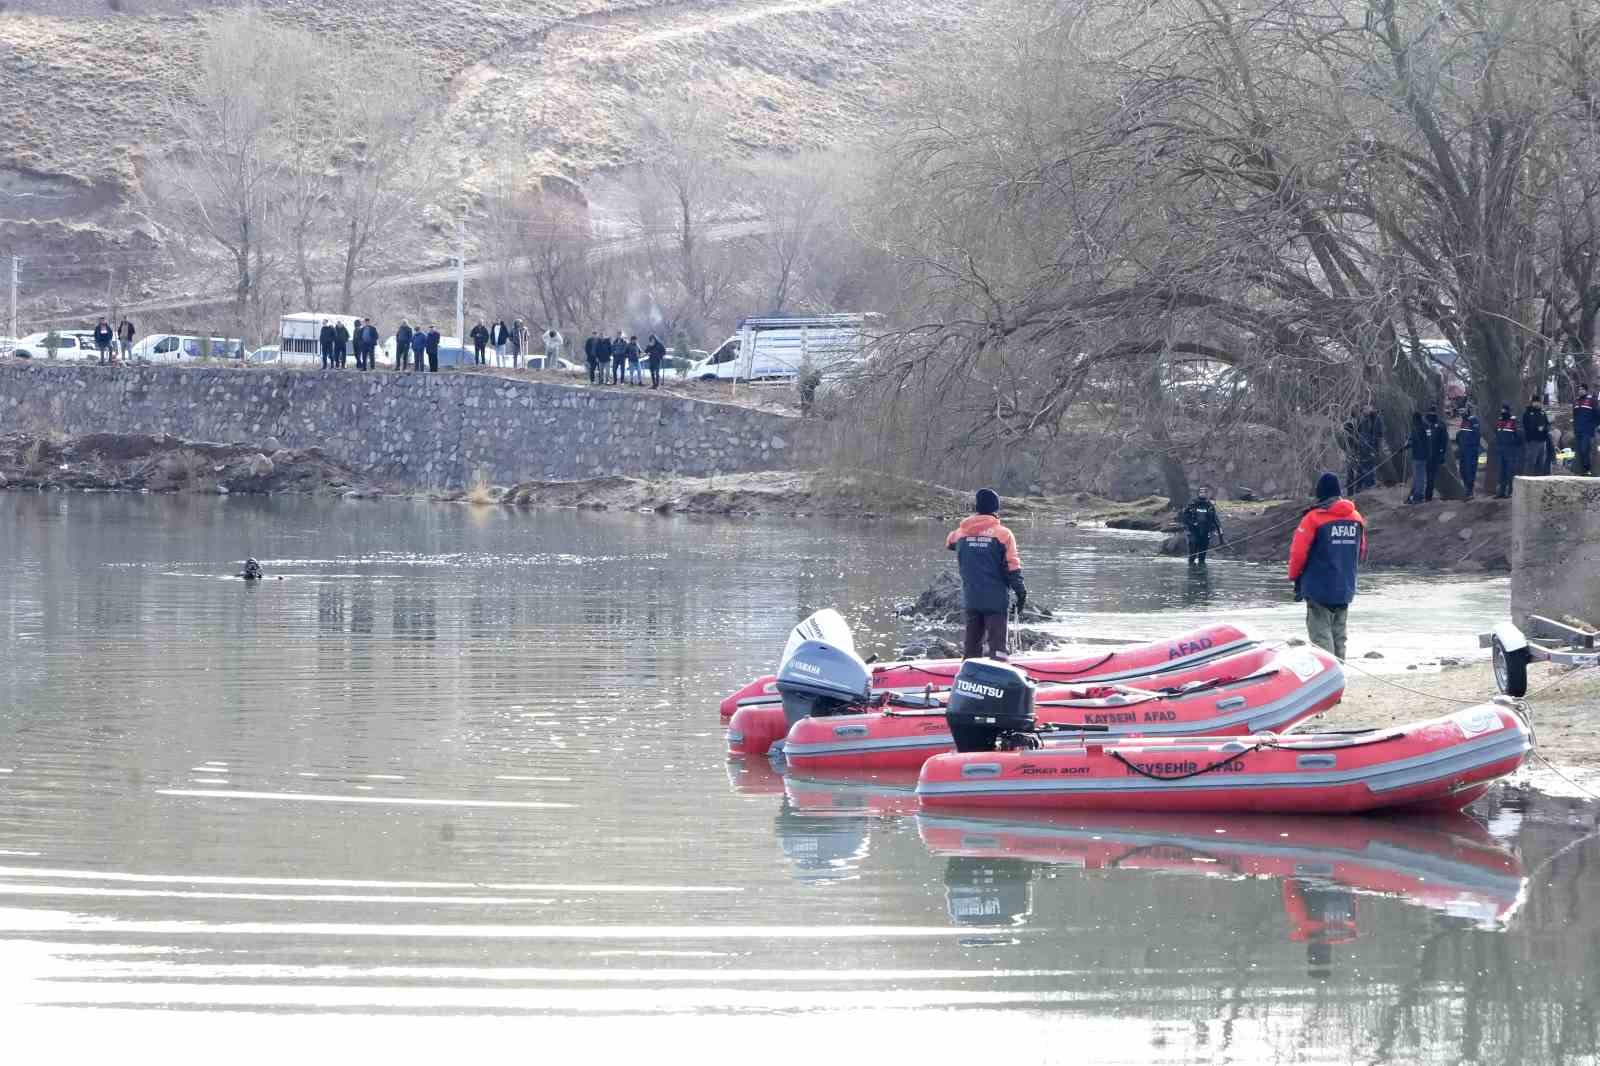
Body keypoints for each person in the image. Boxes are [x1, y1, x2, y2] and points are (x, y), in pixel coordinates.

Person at [1287, 472, 1366, 660]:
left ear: (1320, 493)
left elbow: (1298, 554)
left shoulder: (1313, 518)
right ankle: (1339, 673)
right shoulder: (1356, 518)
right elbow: (1361, 551)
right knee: (1339, 636)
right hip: (1345, 587)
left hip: (1318, 588)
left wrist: (1293, 576)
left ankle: (1327, 678)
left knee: (1320, 637)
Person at [945, 488, 1027, 660]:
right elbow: (1013, 566)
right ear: (996, 509)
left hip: (972, 598)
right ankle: (998, 678)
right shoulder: (1003, 534)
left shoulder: (961, 533)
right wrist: (1021, 593)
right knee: (997, 649)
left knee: (972, 647)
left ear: (977, 507)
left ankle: (968, 677)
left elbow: (950, 543)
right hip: (996, 600)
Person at [1179, 491, 1225, 565]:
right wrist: (1190, 525)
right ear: (1198, 494)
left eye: (1204, 492)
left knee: (1202, 555)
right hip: (1193, 531)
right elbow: (1185, 518)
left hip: (1205, 532)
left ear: (1207, 494)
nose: (1203, 494)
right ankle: (1191, 569)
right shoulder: (1192, 505)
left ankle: (1201, 571)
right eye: (1201, 492)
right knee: (1193, 551)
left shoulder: (1209, 506)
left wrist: (1220, 529)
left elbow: (1215, 519)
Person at [1352, 405, 1384, 491]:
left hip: (1370, 447)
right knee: (1363, 466)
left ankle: (1369, 486)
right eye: (1362, 410)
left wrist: (1377, 449)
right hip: (1364, 447)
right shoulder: (1363, 419)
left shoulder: (1376, 418)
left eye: (1365, 409)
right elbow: (1358, 433)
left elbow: (1379, 435)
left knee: (1370, 466)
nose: (1363, 412)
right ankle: (1362, 487)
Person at [1493, 403, 1521, 498]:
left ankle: (1510, 492)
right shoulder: (1499, 421)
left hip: (1510, 450)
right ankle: (1501, 491)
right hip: (1501, 450)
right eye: (1502, 410)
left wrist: (1513, 444)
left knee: (1510, 471)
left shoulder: (1513, 421)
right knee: (1501, 472)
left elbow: (1519, 436)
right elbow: (1496, 433)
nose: (1503, 411)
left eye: (1504, 410)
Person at [1522, 395, 1552, 475]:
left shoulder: (1542, 413)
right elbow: (1526, 426)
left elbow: (1547, 424)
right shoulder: (1528, 413)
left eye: (1538, 402)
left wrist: (1544, 428)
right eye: (1535, 402)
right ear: (1532, 402)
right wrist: (1536, 429)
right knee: (1531, 461)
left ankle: (1538, 478)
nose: (1537, 404)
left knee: (1540, 463)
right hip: (1532, 441)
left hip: (1542, 441)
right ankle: (1528, 477)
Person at [1455, 412, 1481, 499]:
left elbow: (1476, 435)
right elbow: (1460, 434)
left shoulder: (1473, 420)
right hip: (1463, 450)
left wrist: (1470, 445)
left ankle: (1470, 492)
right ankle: (1467, 489)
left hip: (1471, 450)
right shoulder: (1464, 422)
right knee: (1462, 470)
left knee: (1470, 471)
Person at [1424, 408, 1448, 501]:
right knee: (1424, 476)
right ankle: (1421, 495)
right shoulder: (1423, 423)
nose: (1431, 415)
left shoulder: (1440, 425)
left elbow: (1444, 441)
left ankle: (1428, 496)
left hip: (1434, 456)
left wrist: (1442, 455)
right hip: (1423, 456)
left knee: (1431, 477)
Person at [1405, 412, 1428, 504]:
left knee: (1420, 477)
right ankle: (1414, 496)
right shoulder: (1423, 427)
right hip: (1419, 456)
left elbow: (1412, 441)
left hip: (1420, 457)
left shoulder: (1418, 428)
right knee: (1417, 477)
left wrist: (1407, 446)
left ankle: (1418, 497)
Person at [1573, 384, 1597, 476]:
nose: (1580, 391)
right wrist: (1575, 428)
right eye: (1579, 389)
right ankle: (1580, 470)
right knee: (1579, 451)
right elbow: (1574, 416)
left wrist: (1592, 427)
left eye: (1582, 389)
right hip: (1578, 430)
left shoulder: (1591, 401)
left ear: (1586, 390)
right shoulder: (1576, 401)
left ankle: (1588, 469)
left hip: (1587, 431)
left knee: (1585, 449)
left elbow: (1597, 415)